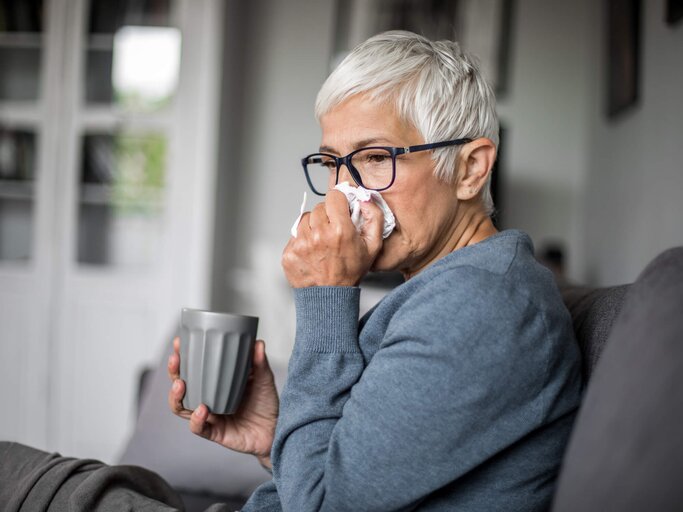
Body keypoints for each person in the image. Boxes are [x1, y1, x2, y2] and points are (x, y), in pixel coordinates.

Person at [167, 31, 582, 511]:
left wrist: (326, 293)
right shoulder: (440, 288)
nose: (344, 194)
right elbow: (348, 477)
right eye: (332, 164)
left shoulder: (480, 304)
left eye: (375, 157)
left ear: (470, 169)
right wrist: (272, 438)